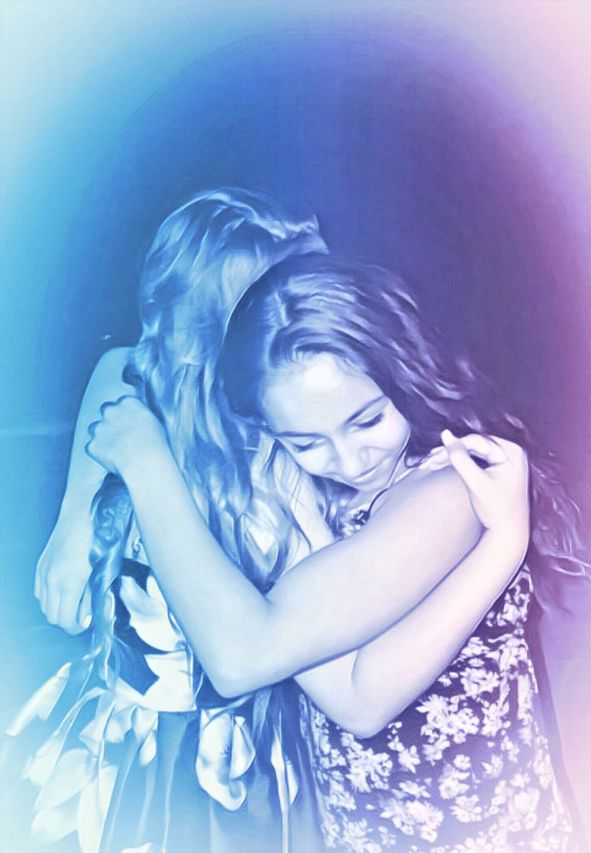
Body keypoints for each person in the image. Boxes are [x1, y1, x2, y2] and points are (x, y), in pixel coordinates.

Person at [16, 190, 525, 853]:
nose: (347, 459)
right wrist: (71, 521)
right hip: (294, 791)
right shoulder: (270, 441)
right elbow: (125, 368)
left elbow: (321, 686)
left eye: (367, 420)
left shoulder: (414, 484)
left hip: (433, 815)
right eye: (308, 441)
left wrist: (507, 542)